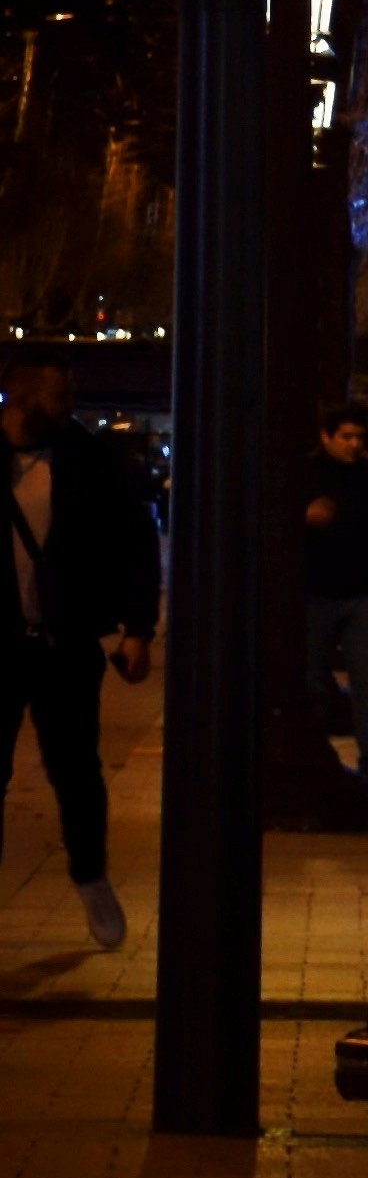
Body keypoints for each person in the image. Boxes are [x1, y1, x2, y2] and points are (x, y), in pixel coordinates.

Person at [3, 347, 159, 951]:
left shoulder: (90, 460)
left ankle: (90, 875)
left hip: (64, 643)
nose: (71, 407)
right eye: (59, 396)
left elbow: (135, 543)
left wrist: (137, 627)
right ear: (20, 399)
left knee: (76, 771)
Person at [299, 406, 368, 811]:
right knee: (311, 680)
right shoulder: (307, 475)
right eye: (346, 436)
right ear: (326, 436)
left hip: (364, 589)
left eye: (358, 437)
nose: (354, 445)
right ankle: (320, 758)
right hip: (319, 589)